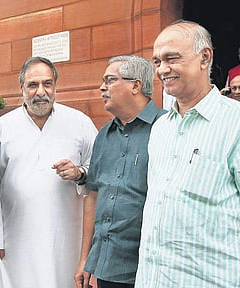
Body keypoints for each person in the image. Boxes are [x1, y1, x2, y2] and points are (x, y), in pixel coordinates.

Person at [136, 20, 240, 287]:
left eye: (172, 58)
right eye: (157, 61)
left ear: (205, 57)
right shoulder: (160, 128)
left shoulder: (235, 124)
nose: (162, 69)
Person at [0, 56, 98, 288]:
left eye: (47, 84)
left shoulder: (79, 122)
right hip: (17, 236)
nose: (41, 91)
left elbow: (100, 171)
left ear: (55, 86)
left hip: (67, 236)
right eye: (33, 85)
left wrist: (79, 172)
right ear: (21, 88)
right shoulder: (2, 127)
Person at [73, 55, 166, 288]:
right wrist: (86, 258)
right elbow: (93, 195)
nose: (102, 87)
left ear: (136, 85)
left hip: (152, 266)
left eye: (110, 80)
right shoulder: (103, 136)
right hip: (109, 269)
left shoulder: (167, 128)